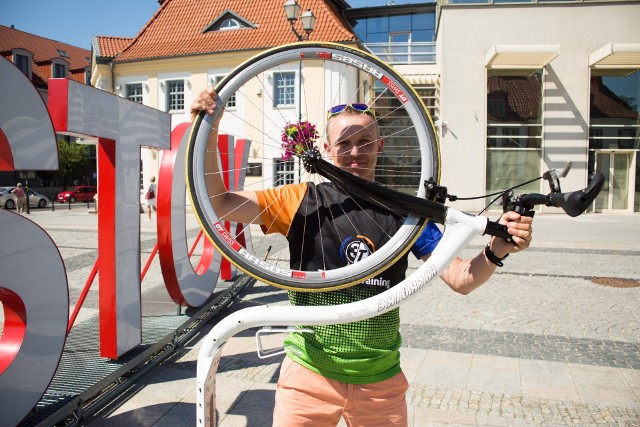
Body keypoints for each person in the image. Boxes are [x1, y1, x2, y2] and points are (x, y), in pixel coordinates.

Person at [191, 87, 533, 427]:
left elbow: (460, 279)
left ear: (379, 146)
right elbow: (220, 204)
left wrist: (497, 249)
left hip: (380, 380)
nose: (355, 151)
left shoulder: (406, 212)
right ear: (326, 149)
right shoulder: (299, 199)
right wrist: (211, 128)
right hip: (309, 374)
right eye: (344, 143)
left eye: (365, 142)